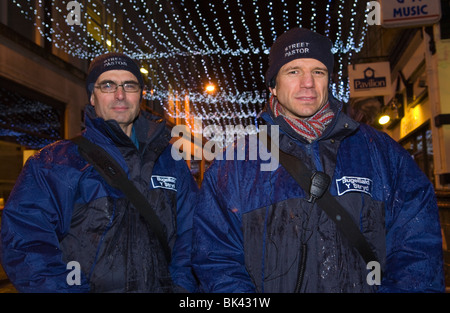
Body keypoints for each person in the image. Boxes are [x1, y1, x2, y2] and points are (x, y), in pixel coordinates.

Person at [191, 27, 445, 293]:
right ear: (273, 86)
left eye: (318, 72)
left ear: (328, 80)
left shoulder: (382, 154)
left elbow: (418, 251)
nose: (308, 83)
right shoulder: (235, 164)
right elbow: (216, 259)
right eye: (294, 71)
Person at [0, 52, 199, 293]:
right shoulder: (54, 163)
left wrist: (180, 289)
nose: (120, 94)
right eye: (107, 85)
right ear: (92, 97)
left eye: (130, 85)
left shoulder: (171, 161)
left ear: (140, 96)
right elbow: (26, 245)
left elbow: (192, 238)